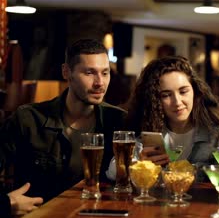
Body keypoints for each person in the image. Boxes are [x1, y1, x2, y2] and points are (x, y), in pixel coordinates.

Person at [0, 39, 127, 202]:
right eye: (89, 73)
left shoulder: (119, 121)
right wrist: (6, 203)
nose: (100, 83)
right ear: (66, 72)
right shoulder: (28, 119)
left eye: (105, 73)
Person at [106, 56, 219, 180]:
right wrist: (139, 165)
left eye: (183, 91)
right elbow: (113, 171)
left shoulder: (215, 136)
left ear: (195, 92)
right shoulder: (146, 131)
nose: (177, 102)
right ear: (154, 100)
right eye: (166, 95)